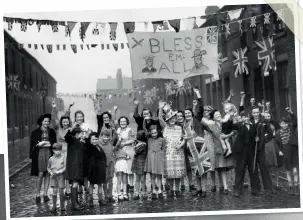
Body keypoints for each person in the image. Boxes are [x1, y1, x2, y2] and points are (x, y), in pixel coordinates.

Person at [202, 109, 235, 195]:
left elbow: (232, 126)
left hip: (226, 148)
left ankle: (225, 187)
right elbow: (202, 122)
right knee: (220, 168)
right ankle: (222, 186)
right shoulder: (211, 125)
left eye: (219, 114)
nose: (218, 115)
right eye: (216, 115)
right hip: (217, 149)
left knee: (224, 168)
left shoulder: (225, 123)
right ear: (213, 117)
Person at [232, 112, 261, 197]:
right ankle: (237, 191)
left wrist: (256, 138)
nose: (246, 118)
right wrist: (236, 118)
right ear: (242, 118)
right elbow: (233, 126)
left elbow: (256, 135)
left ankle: (255, 190)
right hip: (241, 151)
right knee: (240, 170)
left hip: (251, 151)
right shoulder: (239, 125)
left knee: (253, 169)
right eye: (244, 117)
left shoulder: (253, 126)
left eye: (248, 117)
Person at [30, 113, 57, 203]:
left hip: (49, 153)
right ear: (41, 122)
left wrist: (42, 143)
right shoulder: (35, 132)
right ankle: (38, 194)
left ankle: (45, 194)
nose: (46, 123)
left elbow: (53, 144)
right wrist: (43, 143)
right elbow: (35, 144)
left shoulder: (52, 131)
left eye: (48, 121)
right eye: (45, 121)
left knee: (47, 174)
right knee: (41, 173)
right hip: (39, 154)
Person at [159, 108, 186, 197]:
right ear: (167, 120)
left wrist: (181, 145)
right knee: (170, 173)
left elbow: (184, 139)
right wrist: (160, 108)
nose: (172, 120)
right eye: (170, 119)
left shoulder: (180, 128)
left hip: (178, 153)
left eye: (174, 118)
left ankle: (177, 189)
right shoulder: (165, 128)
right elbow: (159, 118)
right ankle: (170, 189)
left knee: (177, 173)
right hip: (168, 153)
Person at [51, 100, 74, 198]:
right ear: (61, 122)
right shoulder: (57, 128)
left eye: (66, 121)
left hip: (69, 152)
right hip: (59, 153)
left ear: (68, 122)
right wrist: (53, 108)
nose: (65, 123)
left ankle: (68, 191)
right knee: (61, 171)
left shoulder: (70, 129)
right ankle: (62, 190)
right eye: (63, 121)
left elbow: (67, 115)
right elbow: (53, 119)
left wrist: (69, 108)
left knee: (68, 172)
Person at [251, 106, 276, 194]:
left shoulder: (264, 121)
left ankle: (269, 188)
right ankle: (256, 189)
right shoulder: (249, 121)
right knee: (253, 169)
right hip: (251, 149)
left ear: (259, 112)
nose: (256, 114)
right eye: (254, 113)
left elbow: (270, 134)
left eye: (257, 112)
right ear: (252, 113)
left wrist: (262, 140)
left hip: (260, 149)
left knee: (264, 167)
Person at [275, 109, 299, 196]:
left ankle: (296, 187)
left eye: (285, 123)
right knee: (288, 171)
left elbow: (295, 121)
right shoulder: (278, 133)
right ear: (280, 124)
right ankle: (291, 187)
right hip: (285, 152)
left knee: (295, 170)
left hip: (293, 150)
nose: (284, 125)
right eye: (282, 124)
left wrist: (291, 113)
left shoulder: (291, 128)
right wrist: (279, 151)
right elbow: (276, 144)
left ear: (287, 123)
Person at [64, 124, 85, 210]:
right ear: (76, 134)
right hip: (73, 165)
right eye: (81, 133)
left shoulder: (79, 142)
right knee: (75, 182)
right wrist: (71, 130)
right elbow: (67, 136)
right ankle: (75, 204)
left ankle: (75, 202)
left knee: (75, 183)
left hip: (77, 165)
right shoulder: (71, 140)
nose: (82, 134)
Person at [176, 110, 195, 192]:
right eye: (178, 116)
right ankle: (182, 184)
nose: (180, 117)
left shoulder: (187, 124)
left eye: (181, 116)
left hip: (188, 146)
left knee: (189, 166)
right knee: (180, 166)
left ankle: (191, 184)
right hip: (179, 147)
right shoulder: (175, 126)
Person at [74, 110, 92, 194]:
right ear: (75, 118)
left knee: (85, 166)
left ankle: (86, 185)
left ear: (83, 117)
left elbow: (90, 136)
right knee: (78, 168)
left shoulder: (87, 125)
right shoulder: (74, 126)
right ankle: (79, 187)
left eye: (81, 116)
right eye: (78, 117)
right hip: (76, 149)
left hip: (85, 148)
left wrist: (87, 134)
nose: (79, 118)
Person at [145, 126, 166, 199]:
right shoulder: (148, 139)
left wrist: (162, 157)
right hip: (151, 159)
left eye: (155, 133)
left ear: (158, 132)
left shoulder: (162, 139)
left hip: (159, 159)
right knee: (152, 176)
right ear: (150, 133)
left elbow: (164, 149)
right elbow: (145, 128)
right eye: (152, 133)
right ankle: (153, 190)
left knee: (159, 176)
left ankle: (160, 190)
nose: (154, 134)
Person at [263, 111, 282, 190]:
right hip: (268, 145)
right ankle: (271, 182)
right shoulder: (263, 125)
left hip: (276, 144)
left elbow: (278, 132)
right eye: (266, 116)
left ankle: (276, 183)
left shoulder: (274, 124)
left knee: (277, 165)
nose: (268, 117)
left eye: (269, 116)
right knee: (269, 164)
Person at [87, 132, 107, 206]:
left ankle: (100, 199)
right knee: (91, 184)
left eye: (96, 139)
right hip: (93, 169)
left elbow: (103, 156)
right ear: (90, 140)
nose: (94, 141)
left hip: (100, 169)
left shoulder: (99, 146)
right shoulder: (90, 147)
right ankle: (90, 200)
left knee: (100, 184)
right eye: (93, 139)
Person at [116, 116, 135, 193]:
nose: (122, 123)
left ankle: (131, 185)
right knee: (123, 169)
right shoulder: (118, 130)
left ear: (127, 122)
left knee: (130, 169)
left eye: (124, 121)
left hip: (129, 150)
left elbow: (133, 140)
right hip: (121, 152)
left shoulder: (129, 130)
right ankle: (125, 184)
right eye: (121, 122)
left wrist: (124, 143)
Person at [47, 143, 66, 212]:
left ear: (61, 150)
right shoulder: (51, 159)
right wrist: (50, 172)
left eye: (59, 150)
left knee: (61, 191)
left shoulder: (63, 157)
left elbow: (65, 166)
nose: (58, 151)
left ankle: (62, 207)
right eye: (56, 150)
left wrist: (61, 171)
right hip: (53, 177)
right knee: (54, 191)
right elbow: (48, 168)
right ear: (53, 151)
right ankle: (54, 207)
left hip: (60, 176)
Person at [114, 128, 131, 201]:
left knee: (125, 180)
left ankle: (124, 193)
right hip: (119, 164)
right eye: (120, 143)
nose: (122, 144)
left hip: (124, 164)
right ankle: (118, 193)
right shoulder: (115, 149)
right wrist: (119, 138)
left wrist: (127, 157)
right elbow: (117, 145)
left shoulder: (124, 151)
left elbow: (128, 157)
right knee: (119, 180)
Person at [131, 131, 148, 200]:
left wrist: (133, 145)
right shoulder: (141, 144)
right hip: (139, 162)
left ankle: (142, 193)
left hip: (141, 162)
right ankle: (138, 192)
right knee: (138, 179)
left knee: (142, 179)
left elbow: (136, 151)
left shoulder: (143, 145)